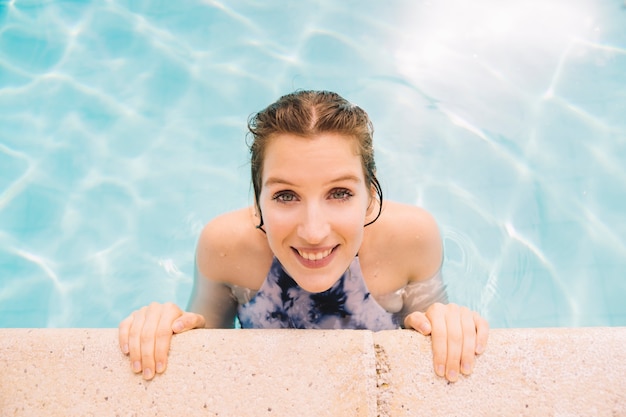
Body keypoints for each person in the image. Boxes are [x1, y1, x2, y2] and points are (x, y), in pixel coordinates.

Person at [118, 90, 489, 383]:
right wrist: (166, 326)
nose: (314, 231)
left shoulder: (411, 239)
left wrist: (448, 324)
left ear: (370, 197)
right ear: (258, 201)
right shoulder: (226, 248)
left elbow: (433, 334)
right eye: (285, 196)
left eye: (340, 193)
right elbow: (201, 346)